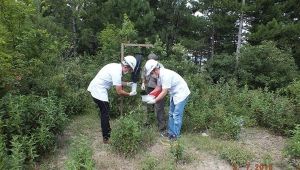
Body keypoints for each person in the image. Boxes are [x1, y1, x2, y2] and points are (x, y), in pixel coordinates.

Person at [87, 55, 137, 144]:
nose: (128, 72)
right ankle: (106, 138)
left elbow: (116, 81)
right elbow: (119, 91)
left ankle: (107, 130)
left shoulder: (115, 66)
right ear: (126, 66)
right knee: (105, 114)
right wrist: (130, 94)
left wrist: (127, 84)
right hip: (98, 90)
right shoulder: (117, 72)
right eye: (129, 70)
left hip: (97, 88)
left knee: (104, 112)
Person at [144, 59, 190, 140]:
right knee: (171, 113)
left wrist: (154, 100)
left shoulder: (165, 75)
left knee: (176, 115)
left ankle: (176, 135)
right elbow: (158, 88)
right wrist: (148, 96)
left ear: (155, 69)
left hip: (181, 93)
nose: (151, 75)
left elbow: (164, 92)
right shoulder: (159, 76)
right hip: (174, 93)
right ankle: (170, 133)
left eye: (151, 73)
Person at [141, 53, 166, 133]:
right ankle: (148, 122)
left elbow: (162, 81)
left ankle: (161, 127)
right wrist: (143, 83)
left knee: (159, 107)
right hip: (149, 87)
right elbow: (144, 75)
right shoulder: (147, 65)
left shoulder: (160, 66)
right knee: (149, 105)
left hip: (159, 88)